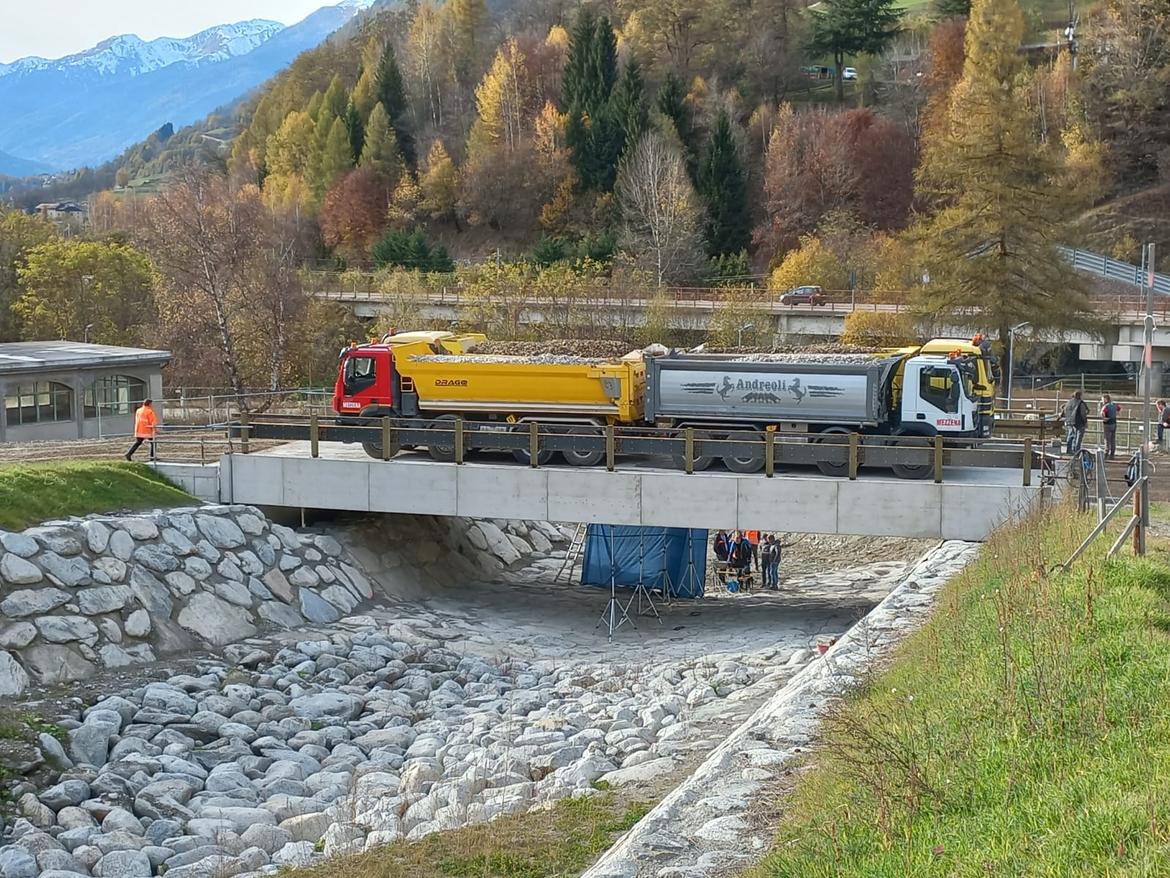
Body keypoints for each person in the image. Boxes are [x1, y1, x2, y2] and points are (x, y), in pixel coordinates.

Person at [1062, 390, 1088, 455]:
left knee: (1071, 436)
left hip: (1070, 421)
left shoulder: (1069, 402)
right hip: (1079, 421)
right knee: (1078, 437)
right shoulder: (1080, 403)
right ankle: (1077, 451)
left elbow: (1064, 410)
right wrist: (1085, 422)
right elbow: (1083, 414)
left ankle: (1069, 450)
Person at [1100, 393, 1120, 460]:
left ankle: (1106, 453)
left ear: (1106, 399)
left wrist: (1104, 418)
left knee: (1107, 439)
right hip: (1114, 423)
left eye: (1102, 399)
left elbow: (1102, 413)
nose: (1102, 401)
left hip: (1107, 423)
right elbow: (1119, 409)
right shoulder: (1114, 404)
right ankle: (1112, 454)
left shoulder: (1106, 406)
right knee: (1113, 439)